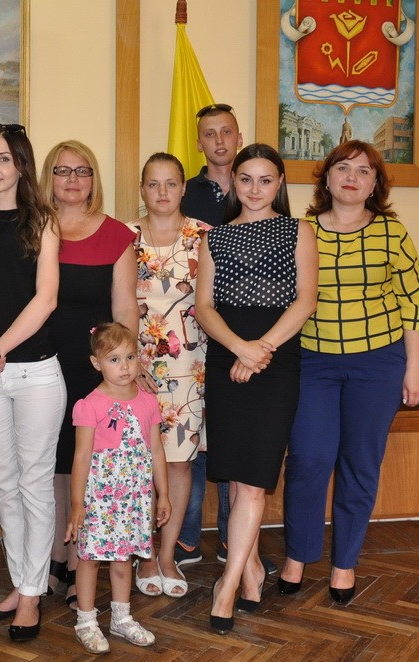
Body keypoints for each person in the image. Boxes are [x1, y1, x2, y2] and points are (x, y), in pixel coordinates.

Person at [279, 140, 419, 604]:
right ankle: (298, 555)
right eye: (343, 168)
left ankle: (344, 563)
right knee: (308, 459)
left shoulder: (392, 233)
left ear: (375, 184)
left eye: (364, 171)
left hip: (378, 364)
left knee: (360, 463)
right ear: (326, 177)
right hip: (313, 363)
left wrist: (415, 368)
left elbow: (414, 302)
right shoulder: (302, 232)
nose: (352, 177)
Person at [195, 143, 318, 634]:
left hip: (277, 357)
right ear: (234, 182)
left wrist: (260, 349)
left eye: (266, 180)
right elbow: (204, 307)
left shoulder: (298, 231)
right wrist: (239, 349)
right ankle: (250, 571)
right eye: (245, 178)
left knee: (254, 477)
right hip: (226, 354)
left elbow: (305, 301)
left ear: (279, 184)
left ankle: (226, 586)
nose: (254, 188)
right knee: (232, 474)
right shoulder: (215, 237)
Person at [0, 123, 64, 642]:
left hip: (35, 373)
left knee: (34, 484)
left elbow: (46, 299)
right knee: (5, 485)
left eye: (3, 158)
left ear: (21, 165)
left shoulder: (42, 221)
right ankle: (23, 584)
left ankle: (31, 595)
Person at [39, 140, 138, 609]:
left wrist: (126, 370)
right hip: (41, 362)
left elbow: (125, 310)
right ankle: (57, 556)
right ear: (49, 178)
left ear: (94, 179)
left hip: (95, 370)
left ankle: (82, 560)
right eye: (62, 171)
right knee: (54, 464)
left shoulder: (117, 235)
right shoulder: (34, 228)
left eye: (82, 171)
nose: (72, 180)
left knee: (89, 464)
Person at [128, 152, 211, 599]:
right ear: (142, 189)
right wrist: (129, 363)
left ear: (183, 188)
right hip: (133, 371)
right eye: (153, 183)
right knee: (140, 465)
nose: (162, 192)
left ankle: (165, 556)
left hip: (189, 370)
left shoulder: (204, 236)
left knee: (179, 463)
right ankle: (143, 556)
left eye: (171, 183)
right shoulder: (124, 237)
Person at [176, 102, 251, 570]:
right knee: (191, 437)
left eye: (227, 132)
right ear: (199, 142)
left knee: (231, 437)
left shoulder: (256, 189)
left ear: (239, 137)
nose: (219, 141)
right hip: (188, 329)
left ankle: (231, 539)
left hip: (244, 333)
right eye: (210, 133)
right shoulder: (185, 193)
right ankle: (185, 538)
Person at [65, 322, 169, 654]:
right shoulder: (90, 404)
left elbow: (156, 451)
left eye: (130, 357)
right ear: (96, 363)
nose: (124, 367)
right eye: (114, 359)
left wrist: (163, 494)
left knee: (124, 557)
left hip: (134, 497)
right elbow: (81, 456)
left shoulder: (148, 402)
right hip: (99, 498)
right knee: (90, 558)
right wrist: (77, 503)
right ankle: (86, 621)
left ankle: (121, 618)